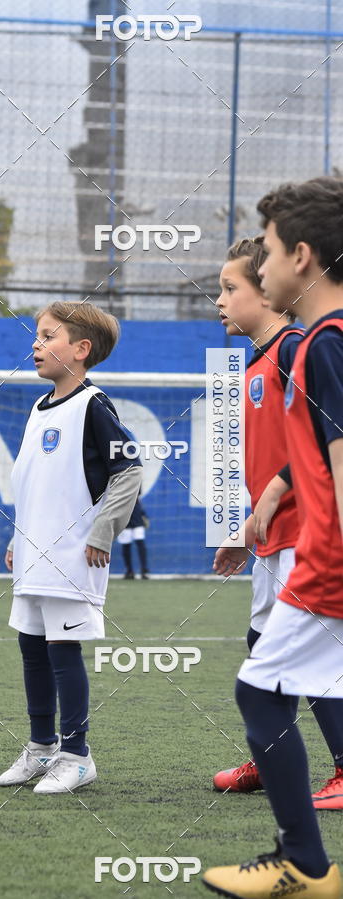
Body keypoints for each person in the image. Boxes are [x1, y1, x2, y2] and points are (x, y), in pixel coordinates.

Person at [203, 176, 343, 898]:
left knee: (263, 690)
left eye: (269, 252)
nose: (260, 269)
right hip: (314, 555)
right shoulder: (321, 340)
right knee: (272, 687)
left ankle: (305, 864)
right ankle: (305, 861)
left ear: (304, 257)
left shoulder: (322, 343)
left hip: (325, 563)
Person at [0, 301, 142, 794]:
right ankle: (40, 749)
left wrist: (103, 532)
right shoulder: (39, 408)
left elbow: (129, 471)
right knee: (30, 647)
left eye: (48, 336)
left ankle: (77, 756)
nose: (36, 345)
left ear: (81, 350)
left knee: (63, 649)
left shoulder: (93, 404)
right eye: (37, 335)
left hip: (73, 556)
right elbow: (34, 485)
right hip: (34, 553)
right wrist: (17, 539)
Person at [117, 496, 150, 579]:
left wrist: (143, 514)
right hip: (124, 518)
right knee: (126, 546)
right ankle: (129, 571)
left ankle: (144, 570)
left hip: (136, 517)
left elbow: (137, 497)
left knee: (140, 544)